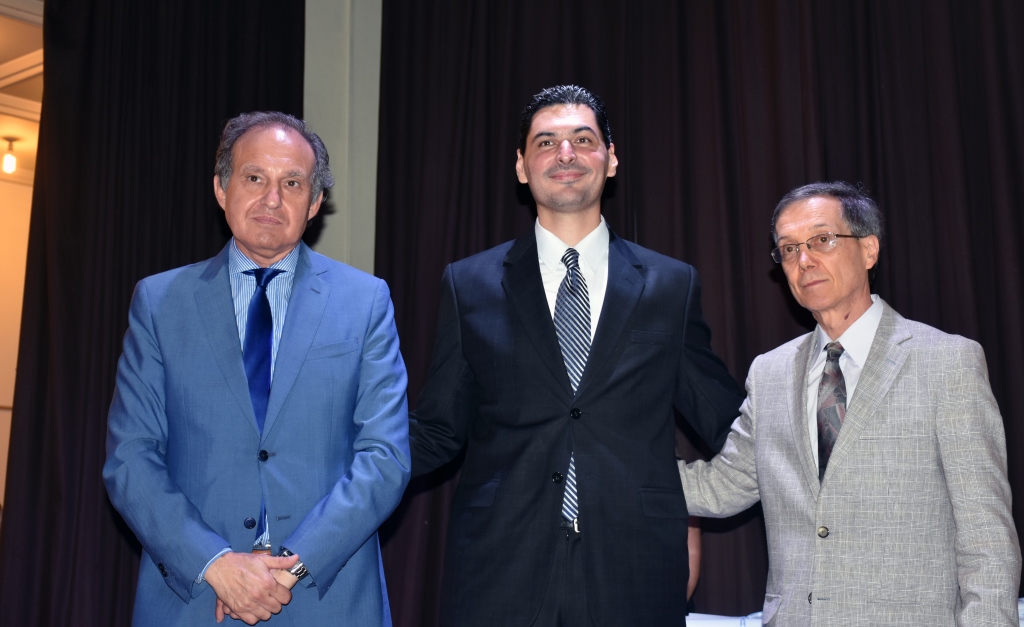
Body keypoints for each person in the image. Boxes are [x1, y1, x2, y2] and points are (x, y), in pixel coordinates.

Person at [409, 85, 744, 626]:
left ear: (611, 159)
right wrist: (339, 474)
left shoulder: (669, 285)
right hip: (500, 569)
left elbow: (727, 417)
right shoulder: (467, 284)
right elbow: (437, 430)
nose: (565, 154)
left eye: (582, 139)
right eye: (546, 142)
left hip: (635, 568)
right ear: (521, 167)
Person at [104, 112, 410, 626]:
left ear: (314, 204)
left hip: (325, 598)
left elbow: (385, 456)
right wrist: (217, 564)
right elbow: (131, 456)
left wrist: (288, 569)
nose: (273, 198)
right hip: (196, 599)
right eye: (254, 178)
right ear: (221, 188)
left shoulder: (366, 301)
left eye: (292, 183)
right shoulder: (160, 303)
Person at [679, 181, 1021, 625]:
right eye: (787, 249)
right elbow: (722, 486)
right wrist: (599, 467)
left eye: (822, 240)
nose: (804, 260)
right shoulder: (770, 372)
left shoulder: (947, 362)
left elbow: (987, 538)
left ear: (869, 250)